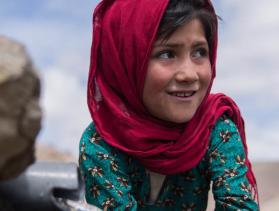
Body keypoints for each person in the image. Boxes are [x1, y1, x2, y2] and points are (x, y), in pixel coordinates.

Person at [79, 0, 259, 210]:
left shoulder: (214, 127)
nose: (189, 74)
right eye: (166, 54)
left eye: (200, 52)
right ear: (126, 61)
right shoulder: (101, 144)